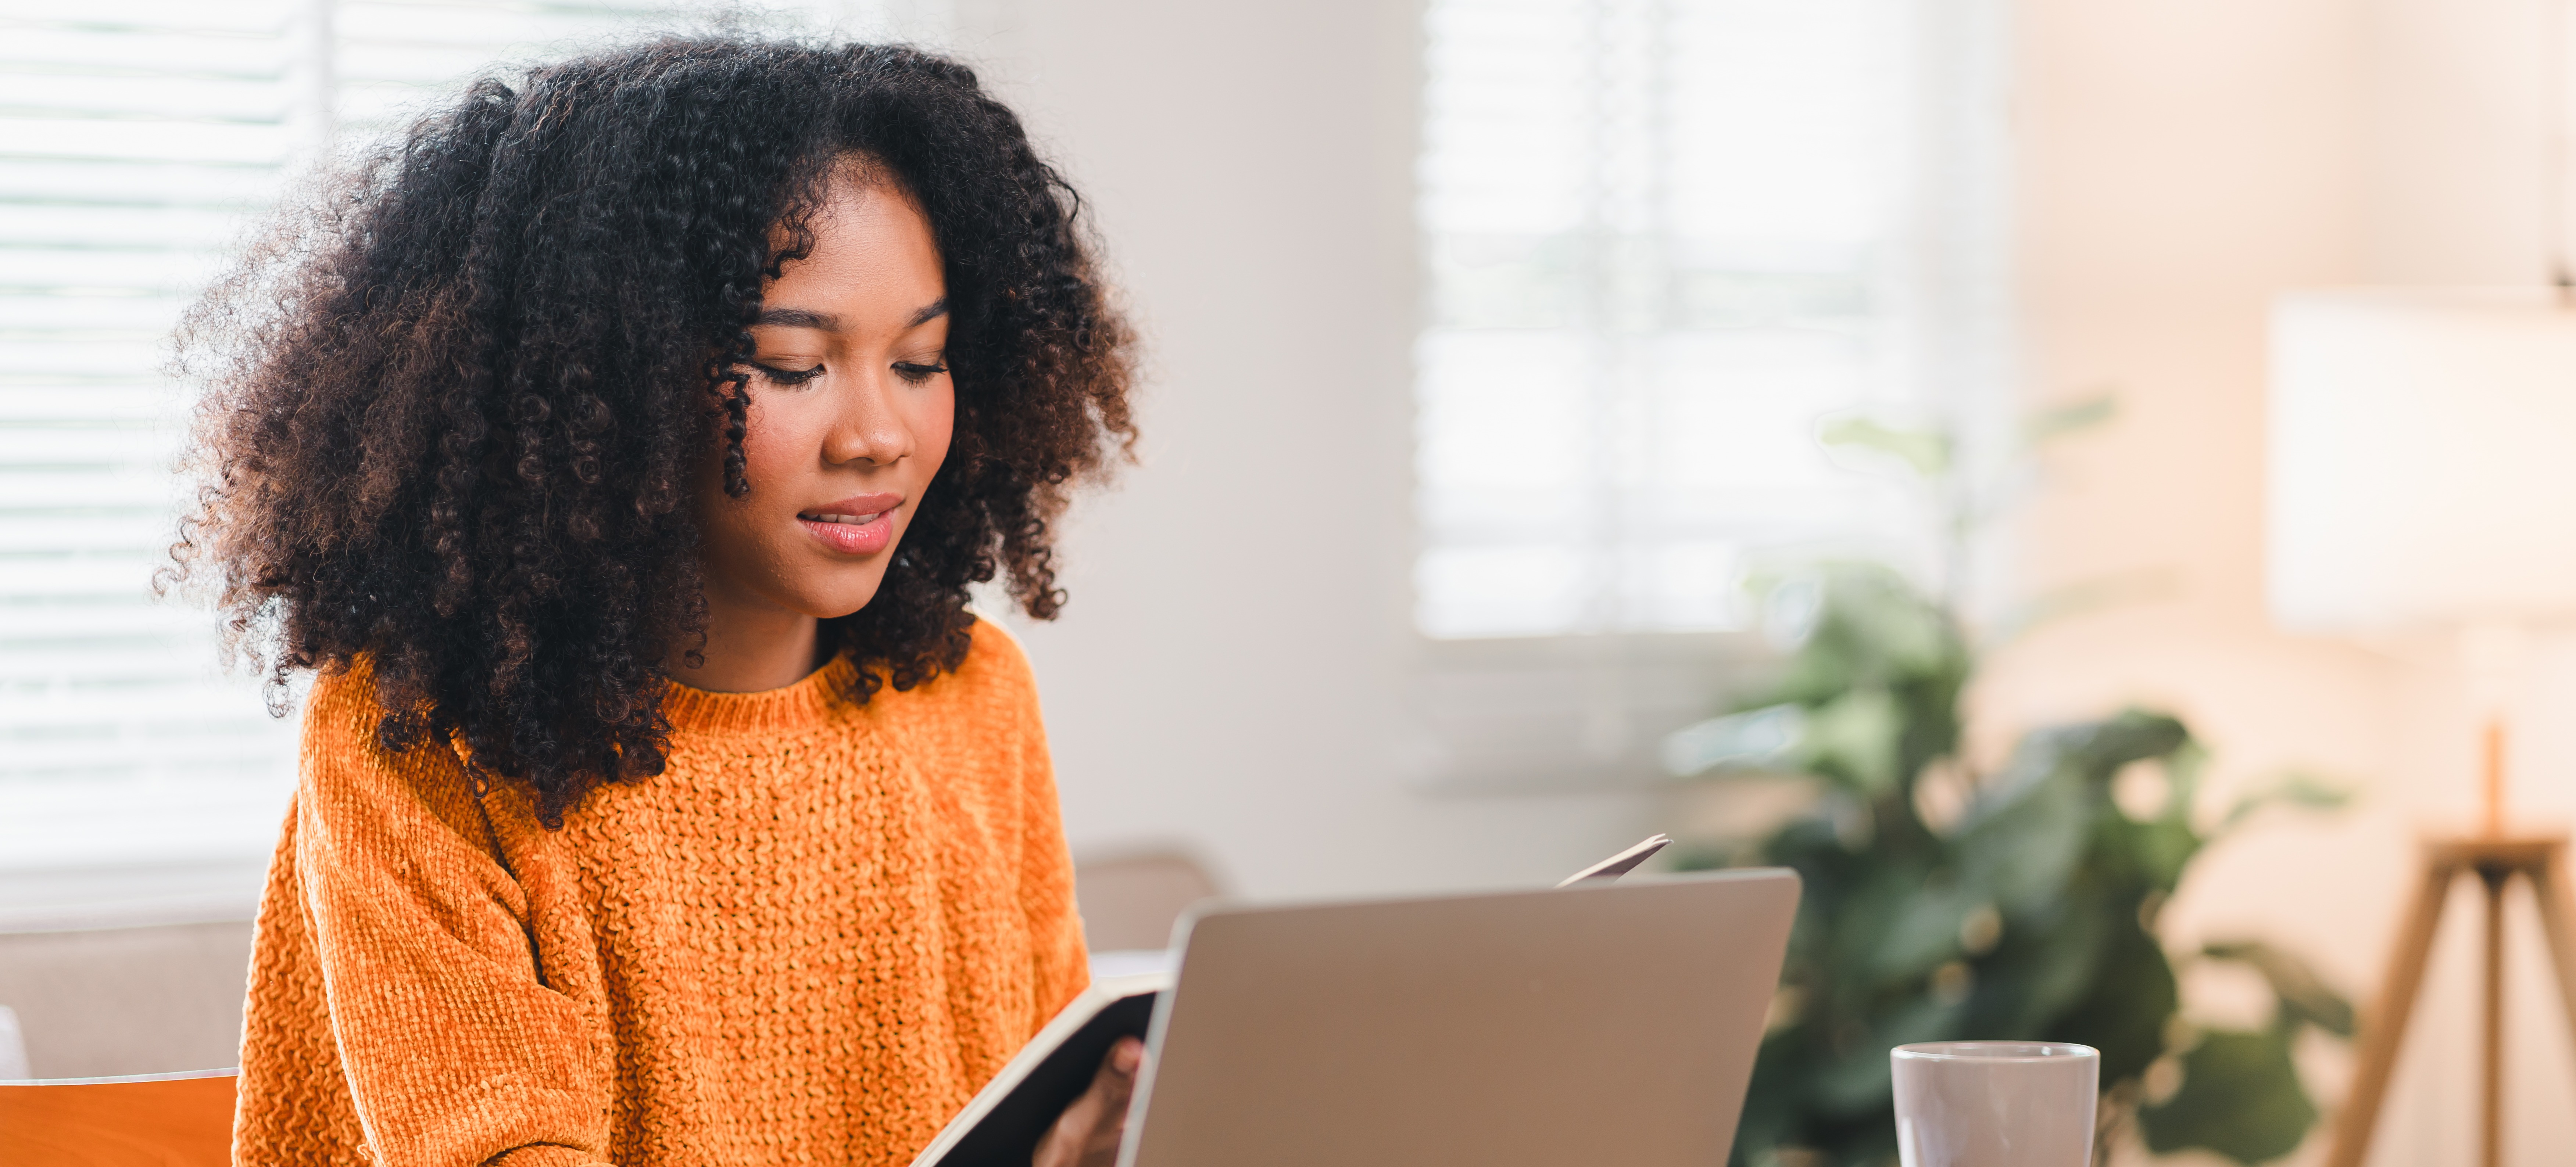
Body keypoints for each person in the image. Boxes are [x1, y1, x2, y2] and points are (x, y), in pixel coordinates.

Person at [169, 36, 1140, 1167]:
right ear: (608, 388)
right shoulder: (420, 747)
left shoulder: (973, 698)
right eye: (791, 363)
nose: (879, 435)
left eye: (922, 361)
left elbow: (1039, 1101)